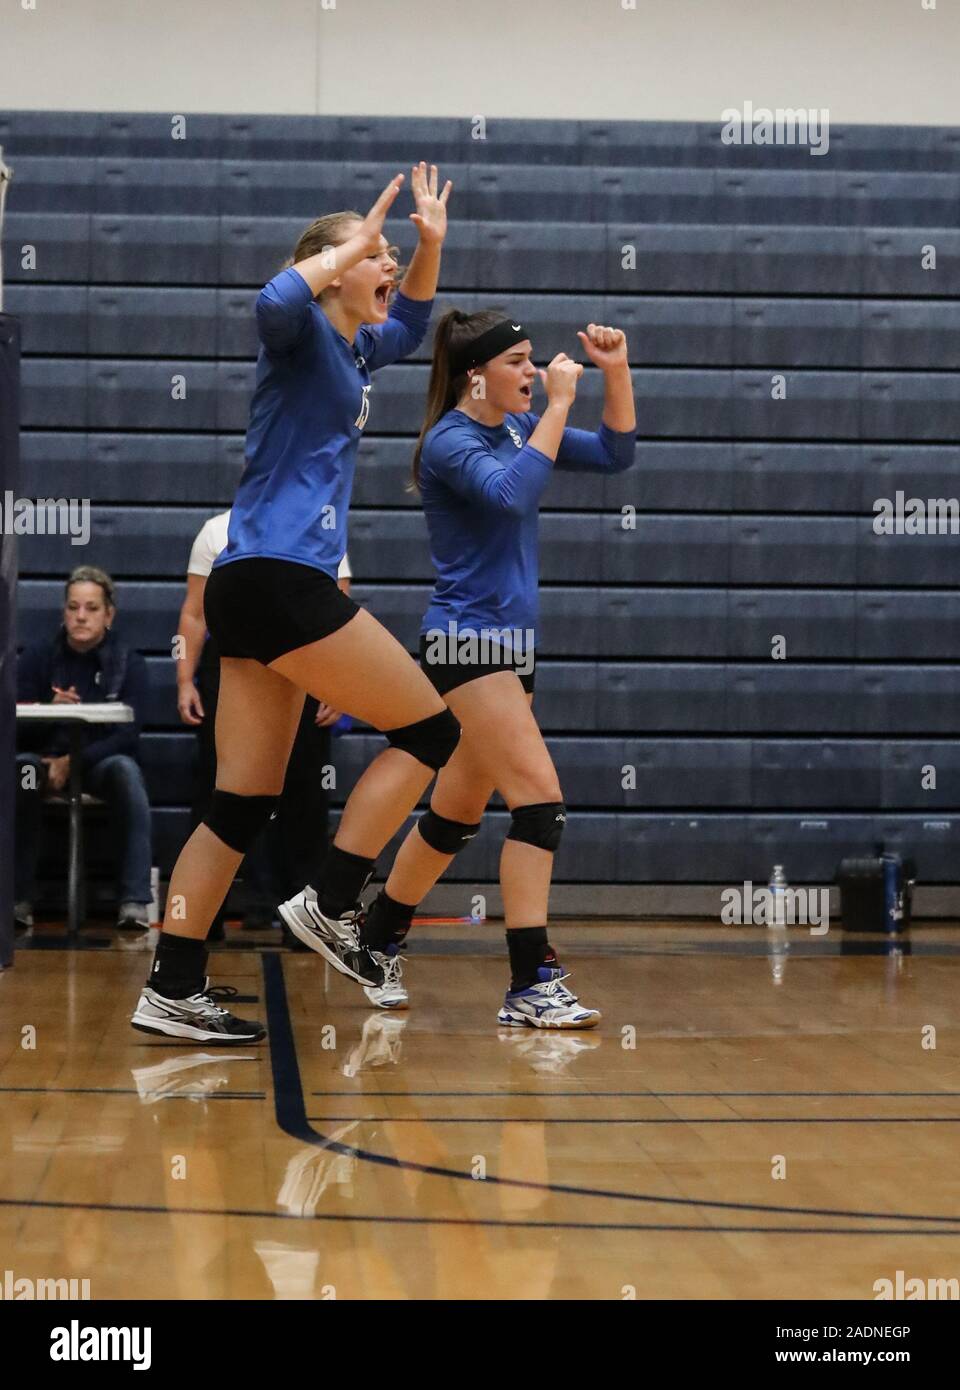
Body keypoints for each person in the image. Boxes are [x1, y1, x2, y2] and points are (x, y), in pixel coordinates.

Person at [131, 163, 460, 1044]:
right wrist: (347, 249)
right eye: (373, 255)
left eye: (386, 255)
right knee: (432, 733)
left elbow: (413, 323)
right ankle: (333, 897)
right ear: (332, 268)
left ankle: (171, 983)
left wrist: (426, 244)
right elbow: (273, 299)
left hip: (253, 584)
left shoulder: (353, 349)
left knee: (242, 800)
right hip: (280, 578)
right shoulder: (299, 329)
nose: (387, 265)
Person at [284, 312, 636, 1027]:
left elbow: (614, 453)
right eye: (518, 361)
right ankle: (531, 980)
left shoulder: (518, 428)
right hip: (467, 647)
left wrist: (617, 371)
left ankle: (379, 935)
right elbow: (511, 495)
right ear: (477, 375)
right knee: (540, 804)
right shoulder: (450, 440)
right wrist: (560, 406)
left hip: (510, 650)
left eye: (533, 361)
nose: (533, 372)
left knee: (455, 816)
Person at [176, 508, 351, 939]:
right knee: (219, 792)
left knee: (305, 797)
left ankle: (306, 925)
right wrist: (184, 679)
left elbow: (338, 613)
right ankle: (199, 922)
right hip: (232, 663)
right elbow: (194, 614)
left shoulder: (321, 527)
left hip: (303, 665)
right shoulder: (216, 530)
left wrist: (337, 685)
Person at [15, 566, 152, 930]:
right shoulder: (37, 657)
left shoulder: (129, 663)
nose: (80, 616)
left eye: (91, 608)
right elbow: (13, 727)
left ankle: (135, 900)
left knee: (127, 772)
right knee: (21, 773)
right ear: (63, 611)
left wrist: (73, 761)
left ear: (109, 615)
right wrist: (47, 709)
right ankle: (15, 898)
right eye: (73, 607)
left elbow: (128, 735)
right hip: (42, 763)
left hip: (99, 764)